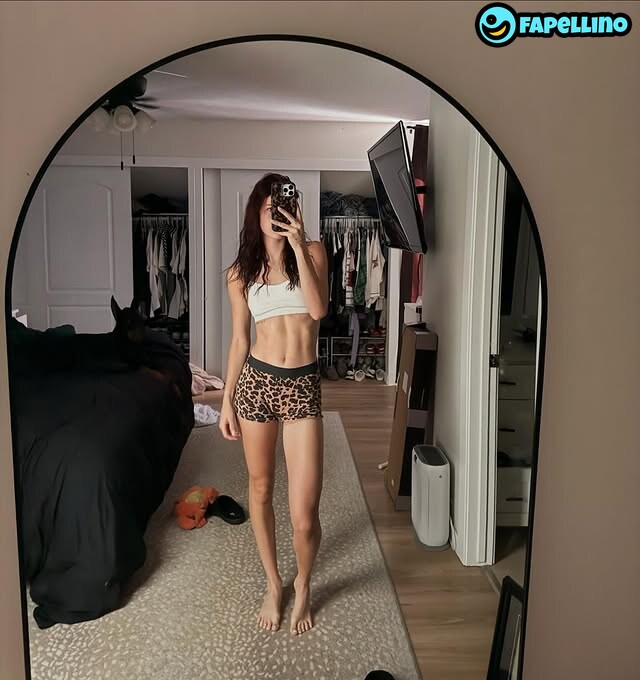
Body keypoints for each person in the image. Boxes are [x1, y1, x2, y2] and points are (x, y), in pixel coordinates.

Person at [219, 173, 328, 636]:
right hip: (256, 385)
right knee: (260, 489)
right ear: (256, 213)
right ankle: (272, 581)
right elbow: (239, 340)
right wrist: (226, 400)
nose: (276, 216)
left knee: (304, 516)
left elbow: (318, 310)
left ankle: (303, 582)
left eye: (283, 207)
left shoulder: (314, 251)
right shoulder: (239, 273)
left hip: (301, 387)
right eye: (269, 209)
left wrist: (298, 243)